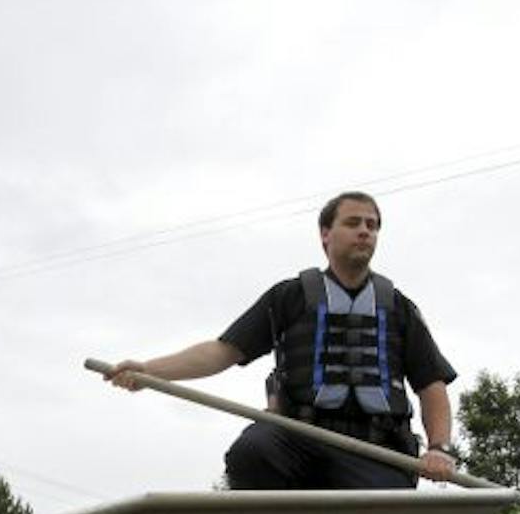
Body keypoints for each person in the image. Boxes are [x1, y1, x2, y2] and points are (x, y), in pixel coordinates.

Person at [102, 191, 462, 489]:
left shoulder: (399, 308)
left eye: (372, 225)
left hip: (376, 451)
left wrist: (439, 448)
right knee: (251, 451)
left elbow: (431, 384)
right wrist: (150, 371)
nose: (365, 231)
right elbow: (221, 351)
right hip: (297, 440)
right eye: (353, 223)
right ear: (325, 233)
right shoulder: (288, 297)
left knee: (384, 511)